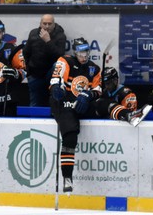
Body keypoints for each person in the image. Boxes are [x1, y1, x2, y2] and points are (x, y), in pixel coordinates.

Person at [49, 37, 102, 194]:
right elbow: (55, 81)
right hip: (63, 102)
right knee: (70, 137)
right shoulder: (64, 61)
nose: (84, 56)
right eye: (80, 53)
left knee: (102, 104)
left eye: (86, 52)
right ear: (75, 52)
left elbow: (98, 90)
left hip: (82, 102)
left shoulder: (94, 68)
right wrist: (56, 90)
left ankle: (126, 115)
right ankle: (67, 177)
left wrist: (88, 94)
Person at [23, 14, 66, 107]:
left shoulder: (60, 36)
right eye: (44, 24)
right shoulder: (33, 33)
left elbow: (60, 56)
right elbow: (26, 52)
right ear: (40, 24)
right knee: (35, 105)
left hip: (51, 75)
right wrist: (29, 71)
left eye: (49, 24)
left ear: (54, 24)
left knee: (57, 65)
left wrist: (48, 41)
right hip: (36, 74)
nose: (47, 26)